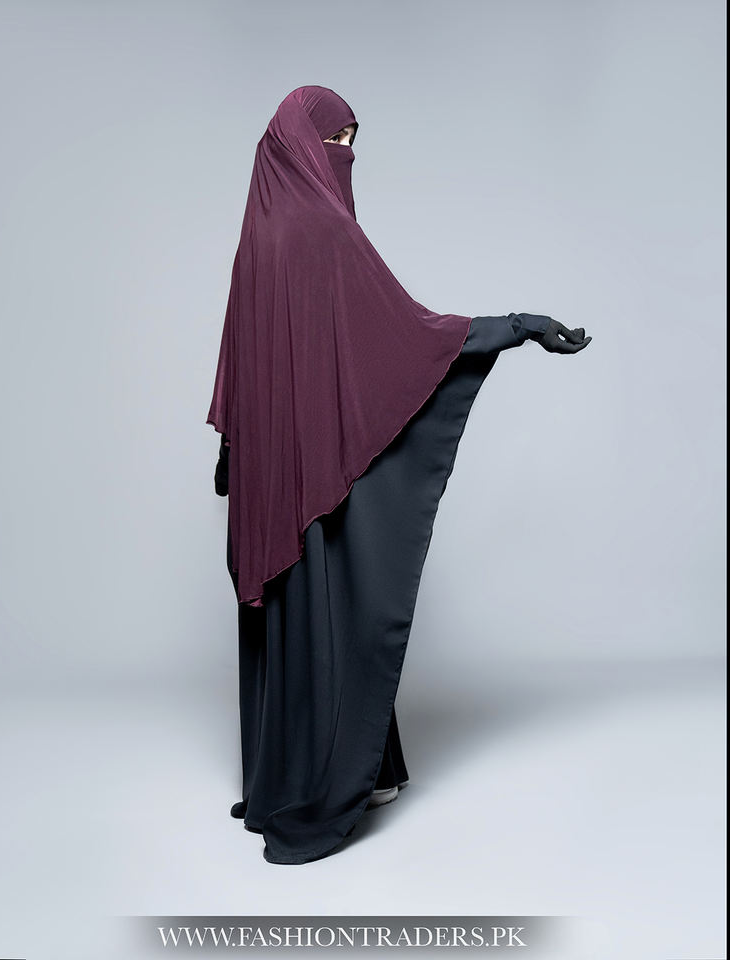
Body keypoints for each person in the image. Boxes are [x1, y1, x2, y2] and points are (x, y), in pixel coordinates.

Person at [206, 85, 591, 865]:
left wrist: (236, 457)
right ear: (301, 148)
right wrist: (514, 326)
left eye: (353, 143)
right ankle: (324, 785)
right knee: (334, 600)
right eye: (336, 141)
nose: (346, 157)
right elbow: (404, 337)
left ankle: (325, 770)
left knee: (298, 613)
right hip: (308, 466)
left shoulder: (260, 237)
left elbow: (243, 366)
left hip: (270, 471)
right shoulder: (323, 230)